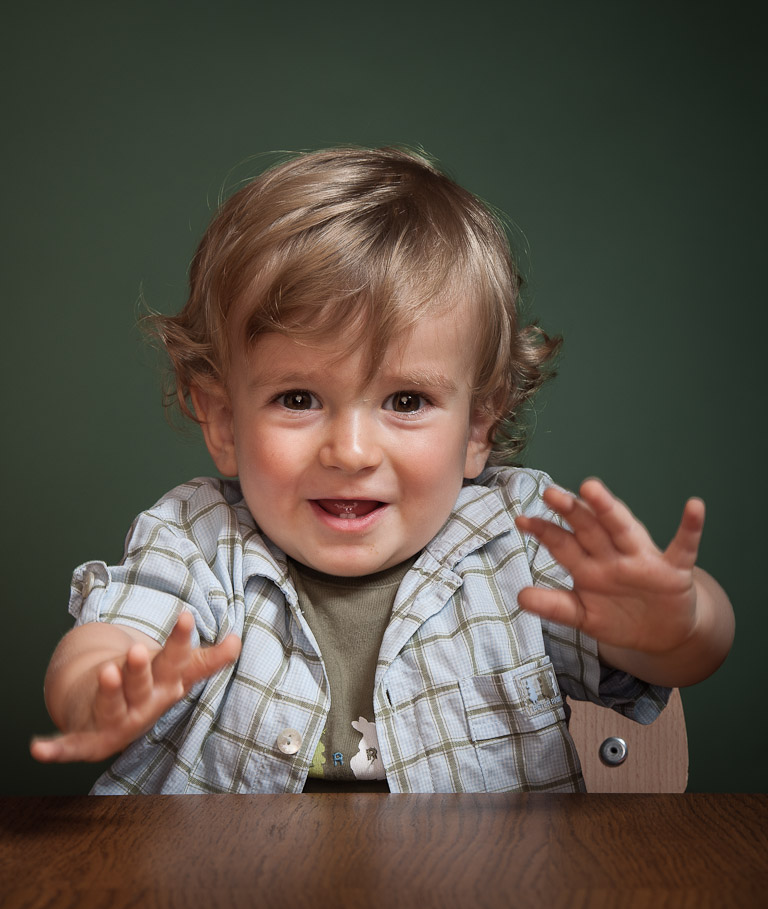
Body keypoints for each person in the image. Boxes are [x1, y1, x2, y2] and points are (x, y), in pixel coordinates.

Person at [30, 147, 734, 793]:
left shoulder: (518, 542)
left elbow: (686, 655)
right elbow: (110, 637)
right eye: (298, 399)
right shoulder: (196, 541)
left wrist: (675, 625)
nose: (352, 451)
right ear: (221, 419)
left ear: (478, 426)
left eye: (407, 400)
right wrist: (103, 688)